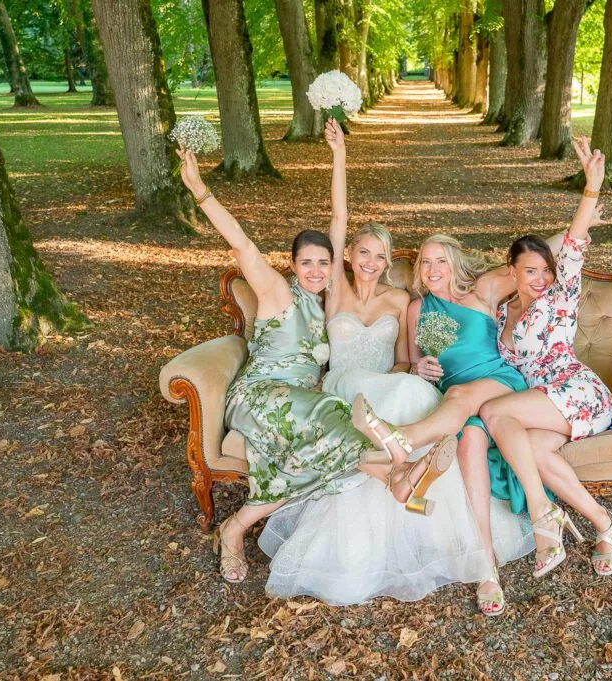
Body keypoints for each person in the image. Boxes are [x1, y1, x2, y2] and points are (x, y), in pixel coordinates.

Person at [257, 120, 531, 604]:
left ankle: (408, 469)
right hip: (346, 387)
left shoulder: (404, 300)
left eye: (380, 255)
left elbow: (408, 360)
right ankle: (403, 468)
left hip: (388, 386)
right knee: (376, 399)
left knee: (407, 390)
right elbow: (337, 218)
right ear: (350, 256)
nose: (370, 261)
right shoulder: (336, 289)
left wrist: (420, 368)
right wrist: (338, 155)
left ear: (388, 263)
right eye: (363, 252)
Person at [175, 143, 455, 584]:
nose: (315, 270)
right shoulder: (276, 292)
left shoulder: (327, 301)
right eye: (306, 262)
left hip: (301, 402)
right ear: (292, 264)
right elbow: (242, 244)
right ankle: (397, 471)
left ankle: (235, 528)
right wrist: (200, 189)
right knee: (339, 413)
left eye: (323, 263)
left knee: (327, 445)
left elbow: (340, 225)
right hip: (260, 395)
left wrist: (341, 153)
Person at [349, 232, 536, 615]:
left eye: (441, 261)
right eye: (425, 262)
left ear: (456, 263)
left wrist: (589, 197)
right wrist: (420, 368)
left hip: (497, 385)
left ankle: (404, 440)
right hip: (457, 404)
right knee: (467, 441)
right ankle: (486, 566)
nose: (432, 270)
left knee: (457, 399)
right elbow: (411, 363)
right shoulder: (418, 309)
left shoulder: (482, 290)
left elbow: (535, 257)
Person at [480, 136, 612, 577]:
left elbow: (576, 241)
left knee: (494, 411)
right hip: (544, 402)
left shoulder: (560, 296)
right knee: (534, 453)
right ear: (512, 272)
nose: (541, 277)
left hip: (578, 392)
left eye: (546, 268)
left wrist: (591, 189)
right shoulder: (501, 310)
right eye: (530, 270)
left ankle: (544, 517)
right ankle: (604, 523)